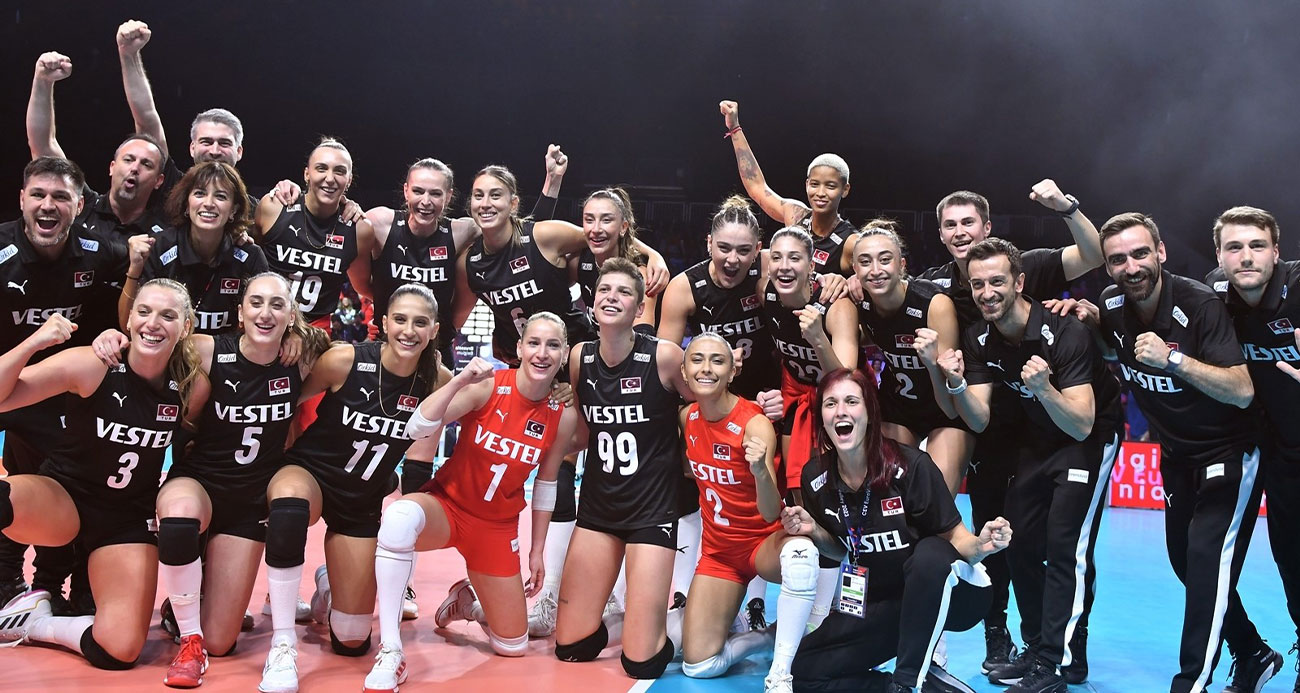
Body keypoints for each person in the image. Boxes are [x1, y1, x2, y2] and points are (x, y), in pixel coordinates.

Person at [93, 272, 329, 687]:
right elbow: (151, 340)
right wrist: (110, 338)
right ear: (240, 312)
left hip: (250, 498)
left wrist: (300, 336)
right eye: (256, 303)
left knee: (222, 641)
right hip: (200, 480)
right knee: (179, 514)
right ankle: (189, 640)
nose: (265, 313)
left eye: (277, 305)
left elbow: (340, 350)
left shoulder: (304, 356)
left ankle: (189, 608)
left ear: (291, 316)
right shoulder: (206, 350)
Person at [917, 182, 1104, 677]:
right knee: (1000, 534)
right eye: (950, 224)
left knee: (1062, 545)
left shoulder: (1030, 267)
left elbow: (1093, 254)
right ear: (940, 233)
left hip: (1057, 419)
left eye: (968, 222)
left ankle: (1063, 651)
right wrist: (848, 282)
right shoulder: (937, 288)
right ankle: (1004, 636)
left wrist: (1066, 206)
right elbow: (886, 283)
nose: (960, 231)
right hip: (995, 424)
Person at [1083, 212, 1272, 693]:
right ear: (1107, 266)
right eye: (1118, 259)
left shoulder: (1200, 303)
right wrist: (1088, 323)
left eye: (1140, 254)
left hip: (1229, 451)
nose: (1131, 267)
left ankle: (1190, 683)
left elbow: (1242, 390)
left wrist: (1173, 359)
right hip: (1176, 456)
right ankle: (1251, 651)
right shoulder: (1110, 304)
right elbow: (1115, 349)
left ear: (1161, 252)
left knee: (1206, 560)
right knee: (1184, 560)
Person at [362, 315, 580, 692]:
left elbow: (546, 482)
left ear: (564, 354)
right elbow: (417, 428)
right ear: (519, 348)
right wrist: (459, 380)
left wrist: (537, 551)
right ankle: (392, 650)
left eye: (552, 345)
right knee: (398, 518)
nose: (542, 353)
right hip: (447, 507)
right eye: (534, 343)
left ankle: (468, 602)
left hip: (496, 528)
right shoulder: (489, 387)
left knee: (513, 645)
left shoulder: (562, 415)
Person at [0, 279, 204, 672]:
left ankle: (37, 621)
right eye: (144, 311)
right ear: (129, 319)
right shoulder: (93, 364)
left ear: (186, 327)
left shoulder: (191, 388)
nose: (153, 323)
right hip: (65, 499)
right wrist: (33, 343)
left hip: (125, 522)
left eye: (167, 315)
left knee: (120, 649)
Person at [257, 284, 450, 693]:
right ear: (384, 323)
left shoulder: (438, 381)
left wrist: (557, 388)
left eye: (420, 323)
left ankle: (329, 582)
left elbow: (492, 396)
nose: (409, 330)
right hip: (311, 473)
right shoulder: (345, 359)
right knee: (289, 507)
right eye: (400, 319)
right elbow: (286, 403)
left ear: (434, 330)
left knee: (352, 639)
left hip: (362, 498)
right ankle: (282, 643)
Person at [786, 368, 1012, 693]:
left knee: (929, 553)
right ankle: (908, 688)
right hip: (886, 602)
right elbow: (842, 549)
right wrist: (815, 532)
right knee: (805, 671)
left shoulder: (911, 466)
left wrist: (981, 545)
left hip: (957, 593)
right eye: (831, 403)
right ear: (821, 416)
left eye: (851, 401)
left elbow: (956, 540)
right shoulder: (815, 477)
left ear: (870, 412)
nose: (841, 411)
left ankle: (908, 683)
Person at [0, 157, 136, 614]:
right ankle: (7, 583)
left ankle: (56, 585)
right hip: (5, 384)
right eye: (38, 194)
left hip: (61, 396)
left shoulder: (102, 251)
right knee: (22, 481)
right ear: (22, 199)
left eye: (60, 197)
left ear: (79, 206)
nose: (47, 205)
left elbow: (143, 284)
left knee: (64, 484)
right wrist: (34, 342)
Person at [553, 258, 691, 679]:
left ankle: (690, 620)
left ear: (639, 308)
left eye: (624, 292)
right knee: (571, 648)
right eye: (604, 290)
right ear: (593, 301)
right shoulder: (579, 358)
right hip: (599, 508)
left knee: (641, 663)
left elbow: (700, 410)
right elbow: (582, 433)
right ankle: (630, 623)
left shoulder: (664, 356)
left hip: (653, 510)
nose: (611, 297)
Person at [676, 333, 817, 693]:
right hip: (719, 554)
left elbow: (770, 512)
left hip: (762, 543)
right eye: (697, 360)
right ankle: (765, 637)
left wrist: (759, 472)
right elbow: (691, 471)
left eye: (717, 361)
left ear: (732, 372)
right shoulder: (687, 419)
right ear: (684, 371)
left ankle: (782, 669)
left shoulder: (754, 424)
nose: (706, 369)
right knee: (699, 665)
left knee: (802, 555)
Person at [1206, 206, 1298, 692]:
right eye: (1234, 247)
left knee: (1294, 558)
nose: (1246, 256)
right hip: (1246, 444)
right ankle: (1249, 651)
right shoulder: (1213, 293)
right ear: (1220, 257)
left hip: (1296, 449)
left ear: (1276, 252)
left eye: (1257, 245)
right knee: (1195, 557)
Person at [852, 220, 971, 495]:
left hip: (945, 407)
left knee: (936, 496)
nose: (876, 270)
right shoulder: (860, 304)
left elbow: (951, 401)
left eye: (885, 260)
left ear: (902, 265)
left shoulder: (934, 304)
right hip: (900, 406)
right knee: (886, 490)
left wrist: (931, 363)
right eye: (865, 262)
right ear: (855, 270)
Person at [759, 226, 858, 498]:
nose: (784, 266)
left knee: (842, 486)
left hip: (842, 402)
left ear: (811, 266)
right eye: (777, 258)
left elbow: (845, 381)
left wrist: (818, 339)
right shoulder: (765, 293)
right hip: (797, 395)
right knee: (799, 488)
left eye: (795, 258)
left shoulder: (837, 305)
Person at [119, 162, 269, 334]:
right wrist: (134, 268)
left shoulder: (250, 256)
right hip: (167, 348)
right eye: (199, 193)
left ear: (233, 210)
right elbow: (128, 326)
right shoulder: (159, 247)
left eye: (220, 196)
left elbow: (259, 328)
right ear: (186, 204)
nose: (209, 203)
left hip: (224, 349)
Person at [719, 100, 858, 276]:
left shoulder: (851, 242)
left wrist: (849, 282)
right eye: (815, 184)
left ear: (845, 190)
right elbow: (756, 186)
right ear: (807, 185)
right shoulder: (795, 216)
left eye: (830, 186)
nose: (821, 193)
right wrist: (734, 128)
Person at [253, 138, 375, 330]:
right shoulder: (274, 207)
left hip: (316, 331)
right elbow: (247, 261)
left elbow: (362, 285)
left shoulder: (359, 229)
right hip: (265, 322)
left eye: (339, 171)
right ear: (307, 174)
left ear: (349, 180)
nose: (330, 178)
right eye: (321, 168)